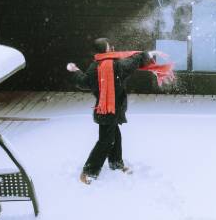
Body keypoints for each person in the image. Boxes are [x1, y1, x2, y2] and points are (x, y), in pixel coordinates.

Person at [67, 38, 172, 185]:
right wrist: (145, 54)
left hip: (106, 109)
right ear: (106, 50)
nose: (113, 47)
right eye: (110, 46)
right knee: (106, 141)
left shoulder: (94, 66)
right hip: (108, 110)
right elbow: (134, 61)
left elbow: (84, 82)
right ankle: (89, 172)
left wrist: (75, 71)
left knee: (114, 137)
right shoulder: (116, 65)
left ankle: (116, 163)